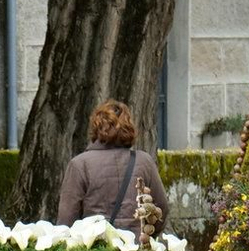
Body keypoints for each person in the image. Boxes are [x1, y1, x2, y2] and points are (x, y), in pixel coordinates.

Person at [56, 100, 168, 233]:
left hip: (95, 250)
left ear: (96, 128)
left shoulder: (80, 164)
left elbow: (66, 220)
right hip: (136, 248)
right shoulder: (144, 162)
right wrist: (146, 236)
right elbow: (161, 208)